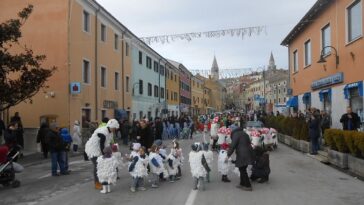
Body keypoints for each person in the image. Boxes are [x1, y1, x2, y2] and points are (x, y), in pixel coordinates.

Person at [85, 119, 120, 190]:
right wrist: (105, 154)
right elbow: (101, 145)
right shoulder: (102, 132)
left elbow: (108, 143)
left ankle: (103, 180)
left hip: (100, 149)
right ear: (111, 126)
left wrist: (111, 149)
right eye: (114, 128)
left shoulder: (110, 132)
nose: (115, 129)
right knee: (97, 165)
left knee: (102, 165)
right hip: (93, 150)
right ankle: (97, 183)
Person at [227, 127, 254, 191]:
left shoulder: (236, 135)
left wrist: (228, 155)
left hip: (242, 154)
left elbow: (233, 145)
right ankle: (242, 183)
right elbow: (249, 142)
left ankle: (248, 186)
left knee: (242, 170)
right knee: (242, 168)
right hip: (248, 153)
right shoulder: (245, 134)